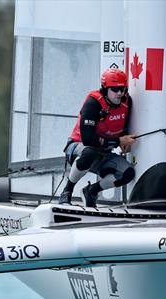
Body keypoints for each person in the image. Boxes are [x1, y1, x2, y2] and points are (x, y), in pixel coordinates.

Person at [58, 69, 137, 207]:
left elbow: (124, 127)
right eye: (115, 89)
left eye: (123, 89)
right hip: (78, 148)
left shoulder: (127, 102)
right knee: (90, 152)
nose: (120, 93)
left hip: (103, 153)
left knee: (128, 173)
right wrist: (118, 141)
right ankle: (67, 191)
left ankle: (91, 191)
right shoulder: (93, 103)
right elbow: (88, 140)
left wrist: (125, 140)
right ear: (105, 89)